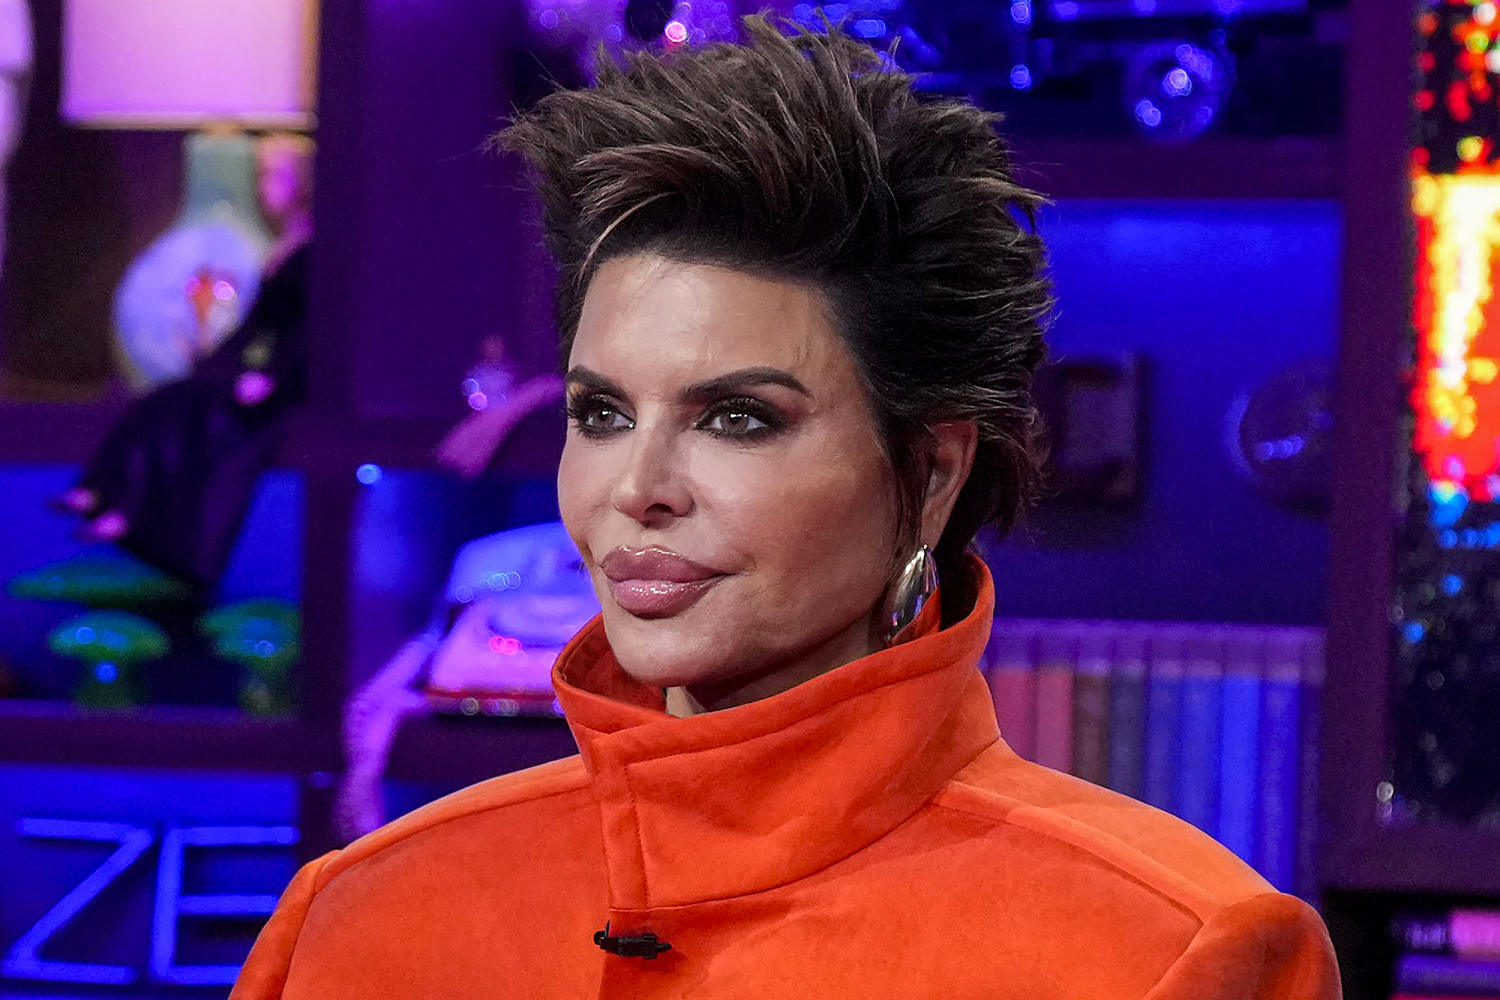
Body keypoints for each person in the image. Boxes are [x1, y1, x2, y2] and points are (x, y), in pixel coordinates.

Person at [232, 18, 1340, 998]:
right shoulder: (362, 919)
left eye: (738, 418)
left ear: (931, 474)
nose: (637, 487)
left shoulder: (1168, 952)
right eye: (602, 413)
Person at [54, 133, 312, 588]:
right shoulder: (286, 243)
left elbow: (308, 327)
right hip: (247, 366)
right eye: (261, 175)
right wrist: (216, 364)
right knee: (166, 402)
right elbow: (252, 324)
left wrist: (270, 375)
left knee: (197, 418)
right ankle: (108, 495)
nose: (265, 187)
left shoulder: (316, 249)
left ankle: (128, 511)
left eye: (277, 175)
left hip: (285, 378)